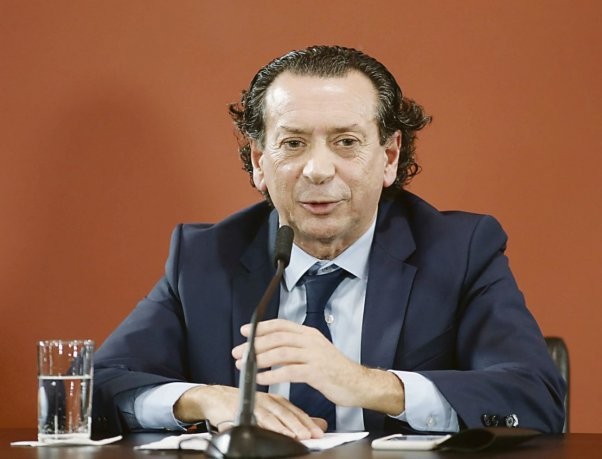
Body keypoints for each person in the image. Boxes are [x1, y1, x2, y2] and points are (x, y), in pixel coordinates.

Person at [92, 45, 566, 439]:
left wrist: (368, 384)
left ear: (389, 157)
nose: (318, 170)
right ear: (259, 162)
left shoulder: (459, 251)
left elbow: (535, 399)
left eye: (345, 142)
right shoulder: (206, 258)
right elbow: (96, 388)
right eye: (293, 143)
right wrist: (206, 399)